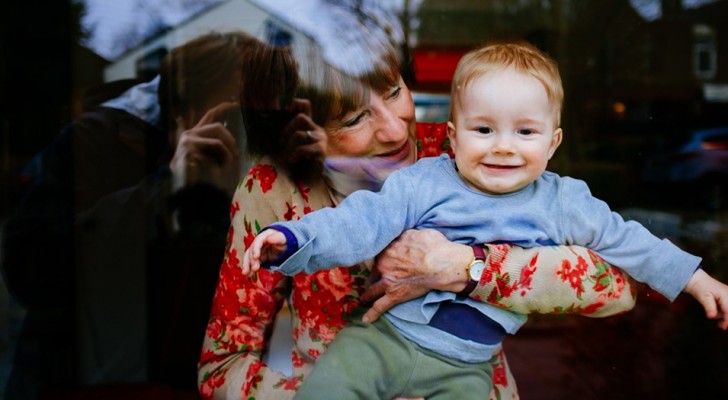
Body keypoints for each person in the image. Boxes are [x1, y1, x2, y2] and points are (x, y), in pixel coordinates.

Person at [242, 41, 728, 400]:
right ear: (453, 135)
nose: (502, 145)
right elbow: (358, 222)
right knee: (326, 390)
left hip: (467, 370)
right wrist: (291, 238)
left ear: (553, 143)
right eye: (483, 129)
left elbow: (625, 249)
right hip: (383, 342)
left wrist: (693, 277)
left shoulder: (562, 201)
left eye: (525, 131)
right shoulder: (425, 180)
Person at [1, 31, 323, 398]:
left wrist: (312, 182)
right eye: (235, 115)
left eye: (263, 119)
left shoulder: (260, 172)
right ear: (179, 112)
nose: (248, 134)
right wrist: (164, 188)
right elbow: (28, 268)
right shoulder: (98, 143)